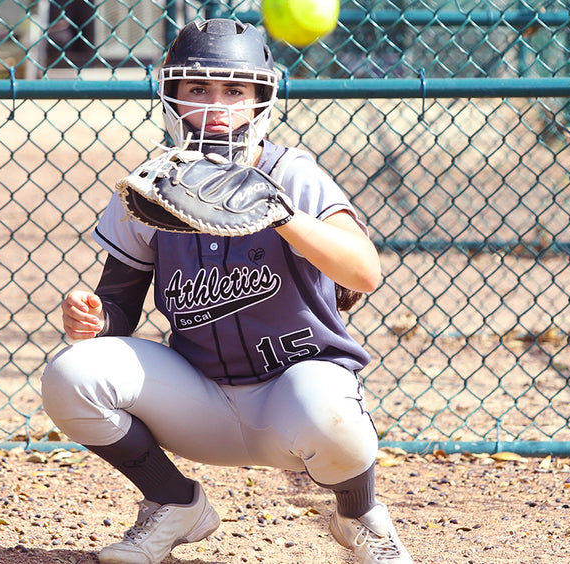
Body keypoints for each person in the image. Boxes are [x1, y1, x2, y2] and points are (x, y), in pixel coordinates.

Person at [40, 18, 413, 564]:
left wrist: (282, 216)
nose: (216, 107)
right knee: (73, 372)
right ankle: (174, 504)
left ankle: (359, 516)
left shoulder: (292, 173)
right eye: (197, 89)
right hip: (199, 397)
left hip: (293, 393)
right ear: (170, 96)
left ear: (262, 98)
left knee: (335, 422)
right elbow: (118, 305)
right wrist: (94, 321)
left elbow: (363, 273)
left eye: (234, 90)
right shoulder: (151, 186)